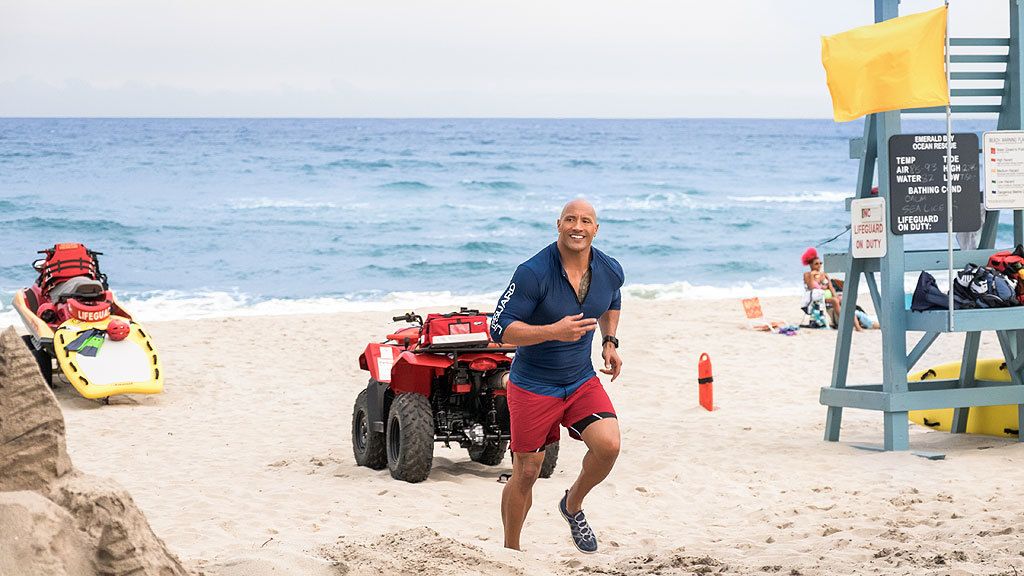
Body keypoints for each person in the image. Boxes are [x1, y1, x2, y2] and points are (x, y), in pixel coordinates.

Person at [490, 198, 624, 554]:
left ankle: (572, 504)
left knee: (609, 445)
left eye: (585, 221)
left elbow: (613, 299)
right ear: (559, 224)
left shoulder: (610, 269)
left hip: (580, 380)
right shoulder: (533, 273)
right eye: (570, 220)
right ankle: (512, 552)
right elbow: (498, 328)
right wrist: (552, 331)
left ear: (596, 229)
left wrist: (609, 342)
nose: (577, 227)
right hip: (534, 385)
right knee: (527, 472)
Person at [801, 247, 856, 331]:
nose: (819, 266)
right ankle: (843, 323)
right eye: (816, 264)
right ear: (810, 265)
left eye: (820, 263)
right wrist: (813, 275)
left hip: (826, 297)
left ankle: (854, 323)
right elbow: (811, 287)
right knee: (835, 301)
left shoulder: (824, 275)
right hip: (815, 298)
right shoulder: (807, 275)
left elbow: (831, 287)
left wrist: (835, 295)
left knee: (842, 299)